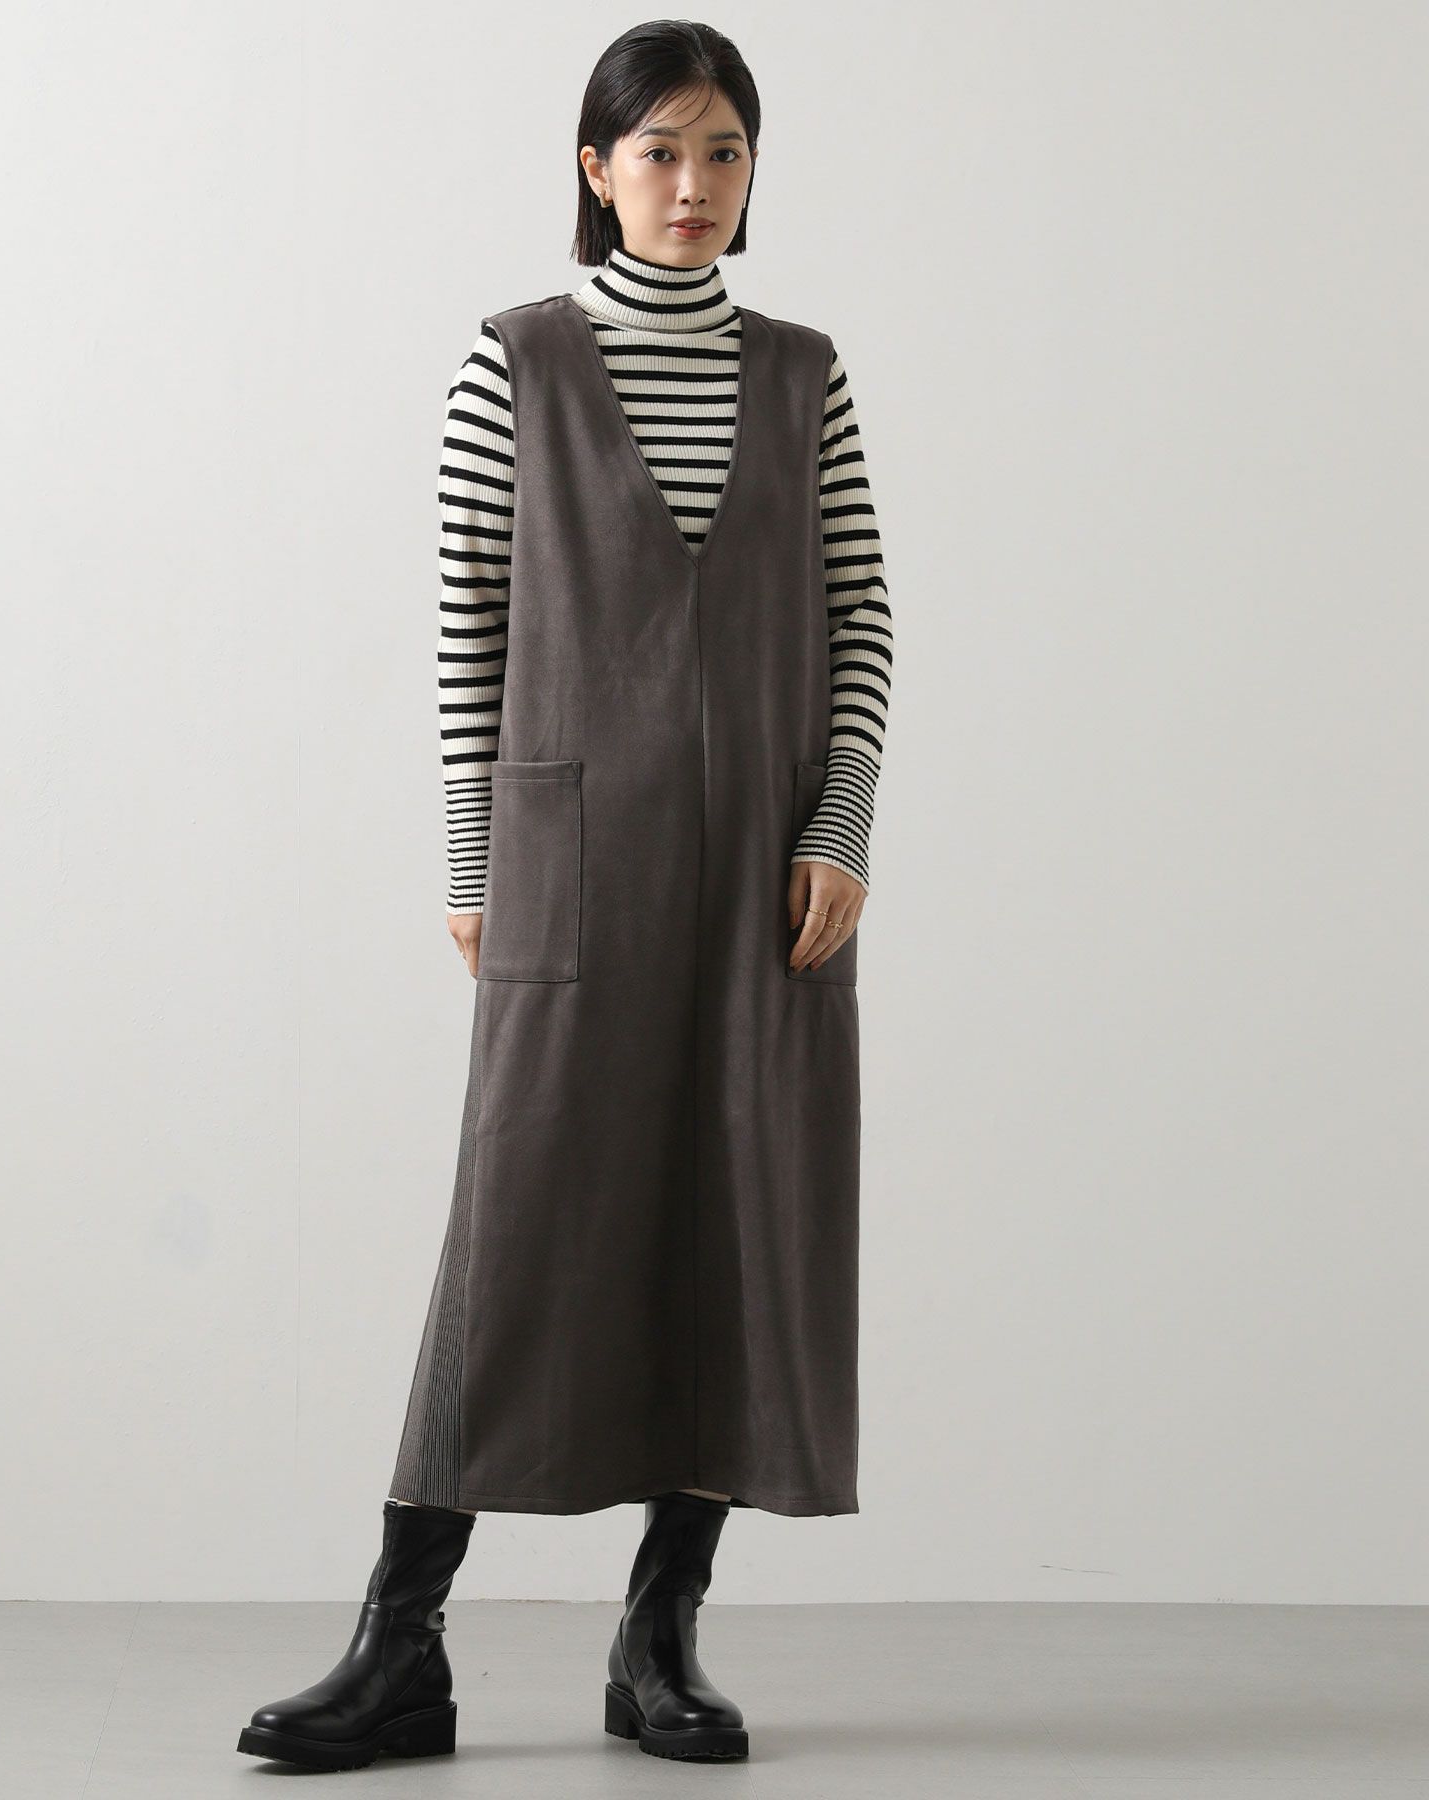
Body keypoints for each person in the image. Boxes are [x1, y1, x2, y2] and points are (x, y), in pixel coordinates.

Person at [237, 18, 891, 1772]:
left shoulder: (802, 374)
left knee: (739, 1219)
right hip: (574, 863)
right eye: (660, 150)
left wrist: (841, 825)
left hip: (766, 885)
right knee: (518, 1225)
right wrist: (475, 863)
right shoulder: (514, 363)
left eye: (724, 151)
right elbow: (471, 626)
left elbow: (860, 617)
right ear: (596, 168)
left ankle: (661, 1634)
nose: (694, 184)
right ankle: (400, 1641)